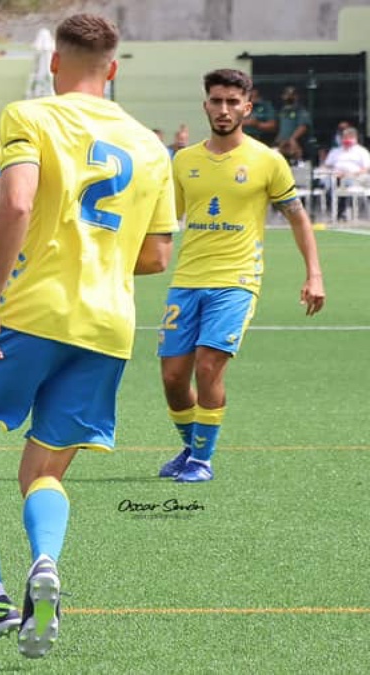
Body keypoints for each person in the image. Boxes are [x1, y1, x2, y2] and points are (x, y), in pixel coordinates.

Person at [0, 14, 176, 661]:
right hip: (109, 326)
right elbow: (156, 254)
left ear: (56, 65)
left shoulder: (31, 116)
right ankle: (44, 562)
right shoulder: (151, 145)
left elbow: (15, 203)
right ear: (114, 68)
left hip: (32, 310)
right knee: (43, 469)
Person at [157, 68, 325, 484]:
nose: (224, 109)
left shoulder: (267, 160)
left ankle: (202, 460)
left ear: (247, 108)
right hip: (187, 279)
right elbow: (167, 219)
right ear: (206, 106)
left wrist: (314, 275)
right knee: (173, 377)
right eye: (217, 101)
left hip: (237, 281)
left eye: (233, 102)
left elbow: (299, 220)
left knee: (209, 365)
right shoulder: (185, 160)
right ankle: (190, 445)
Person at [322, 126, 370, 221]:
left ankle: (342, 211)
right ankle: (333, 212)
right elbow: (327, 165)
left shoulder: (361, 151)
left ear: (355, 138)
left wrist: (350, 174)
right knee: (327, 183)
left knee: (344, 183)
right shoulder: (335, 151)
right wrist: (334, 172)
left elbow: (366, 168)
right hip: (335, 177)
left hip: (355, 178)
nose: (346, 140)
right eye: (344, 137)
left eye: (349, 137)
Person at [275, 85, 312, 163]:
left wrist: (293, 138)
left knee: (297, 164)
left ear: (296, 96)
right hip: (282, 144)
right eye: (287, 94)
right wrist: (279, 140)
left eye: (292, 94)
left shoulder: (300, 110)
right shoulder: (282, 111)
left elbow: (303, 126)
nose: (289, 96)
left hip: (297, 143)